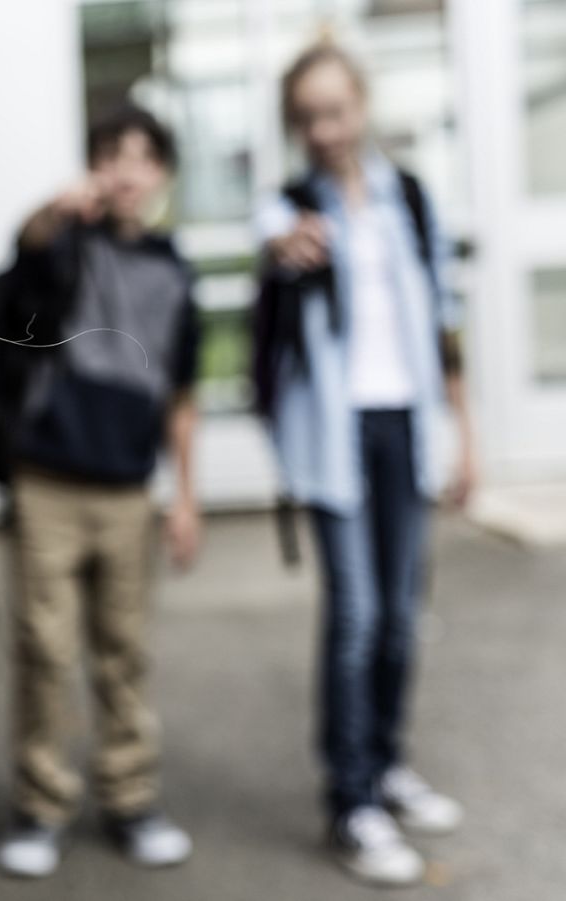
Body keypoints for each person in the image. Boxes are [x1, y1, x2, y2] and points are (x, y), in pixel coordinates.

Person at [257, 41, 474, 888]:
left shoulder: (409, 199)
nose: (324, 129)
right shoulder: (289, 207)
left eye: (335, 110)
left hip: (405, 427)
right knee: (356, 617)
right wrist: (291, 246)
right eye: (307, 116)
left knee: (399, 616)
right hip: (335, 438)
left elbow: (445, 321)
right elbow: (276, 243)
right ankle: (350, 803)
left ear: (362, 106)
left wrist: (466, 434)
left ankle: (385, 765)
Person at [0, 104, 202, 878]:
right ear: (93, 166)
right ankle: (40, 807)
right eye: (113, 154)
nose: (127, 169)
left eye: (144, 156)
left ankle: (131, 798)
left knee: (124, 651)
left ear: (163, 175)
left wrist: (186, 497)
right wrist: (53, 211)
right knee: (44, 649)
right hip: (48, 478)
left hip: (127, 490)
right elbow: (22, 265)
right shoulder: (63, 244)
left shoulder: (176, 269)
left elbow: (183, 394)